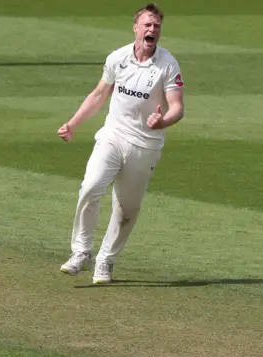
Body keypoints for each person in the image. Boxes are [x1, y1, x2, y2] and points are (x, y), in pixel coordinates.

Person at [57, 2, 184, 284]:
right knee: (90, 187)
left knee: (126, 209)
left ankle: (106, 259)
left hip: (146, 146)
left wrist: (163, 122)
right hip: (113, 136)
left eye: (157, 26)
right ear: (136, 28)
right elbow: (100, 94)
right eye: (148, 25)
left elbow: (177, 107)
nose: (153, 30)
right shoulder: (118, 58)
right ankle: (81, 252)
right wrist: (73, 124)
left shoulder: (168, 64)